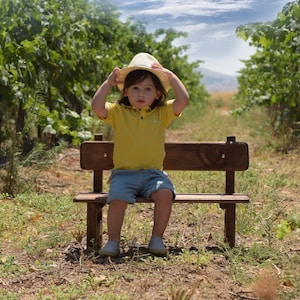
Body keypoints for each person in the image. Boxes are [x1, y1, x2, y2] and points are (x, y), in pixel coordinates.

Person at [91, 52, 189, 257]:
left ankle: (156, 238)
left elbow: (183, 99)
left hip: (154, 175)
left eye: (147, 89)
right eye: (135, 88)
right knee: (117, 198)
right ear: (126, 92)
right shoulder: (118, 111)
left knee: (165, 194)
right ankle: (113, 241)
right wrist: (108, 83)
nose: (141, 94)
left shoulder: (162, 112)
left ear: (158, 95)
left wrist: (170, 76)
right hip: (124, 174)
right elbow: (97, 106)